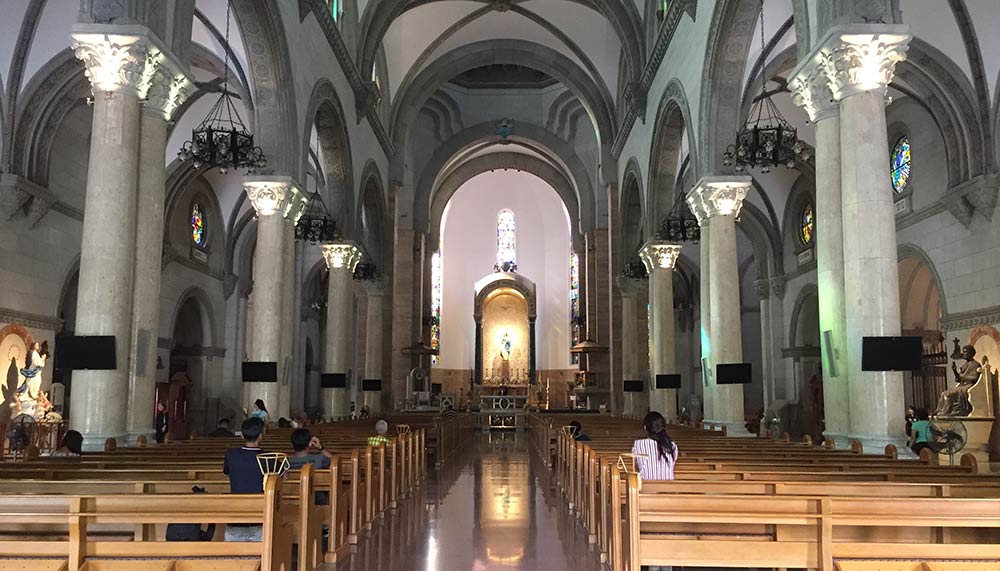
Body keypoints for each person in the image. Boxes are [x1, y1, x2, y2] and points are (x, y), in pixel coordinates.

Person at [223, 418, 266, 542]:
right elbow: (282, 478)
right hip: (260, 514)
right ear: (261, 436)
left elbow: (227, 473)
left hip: (236, 513)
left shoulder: (231, 455)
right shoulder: (268, 457)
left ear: (242, 435)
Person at [935, 345, 982, 416]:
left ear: (971, 353)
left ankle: (946, 411)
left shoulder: (975, 364)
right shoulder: (965, 365)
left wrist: (963, 377)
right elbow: (958, 379)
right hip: (961, 385)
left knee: (949, 395)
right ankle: (939, 410)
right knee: (943, 393)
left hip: (969, 386)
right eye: (963, 352)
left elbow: (974, 378)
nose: (964, 354)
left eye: (965, 352)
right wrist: (954, 371)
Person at [631, 411, 678, 481]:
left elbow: (638, 465)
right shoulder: (672, 446)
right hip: (669, 488)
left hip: (647, 488)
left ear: (645, 428)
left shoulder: (638, 444)